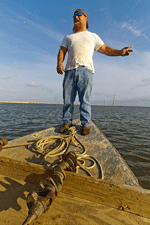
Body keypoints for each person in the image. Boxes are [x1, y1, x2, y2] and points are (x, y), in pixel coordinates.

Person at [57, 9, 133, 135]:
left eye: (79, 15)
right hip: (69, 71)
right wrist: (59, 63)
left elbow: (105, 49)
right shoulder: (68, 36)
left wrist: (120, 52)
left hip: (86, 71)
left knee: (85, 100)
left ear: (86, 18)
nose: (76, 17)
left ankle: (86, 124)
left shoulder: (93, 36)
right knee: (67, 100)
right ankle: (66, 121)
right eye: (74, 15)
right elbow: (62, 51)